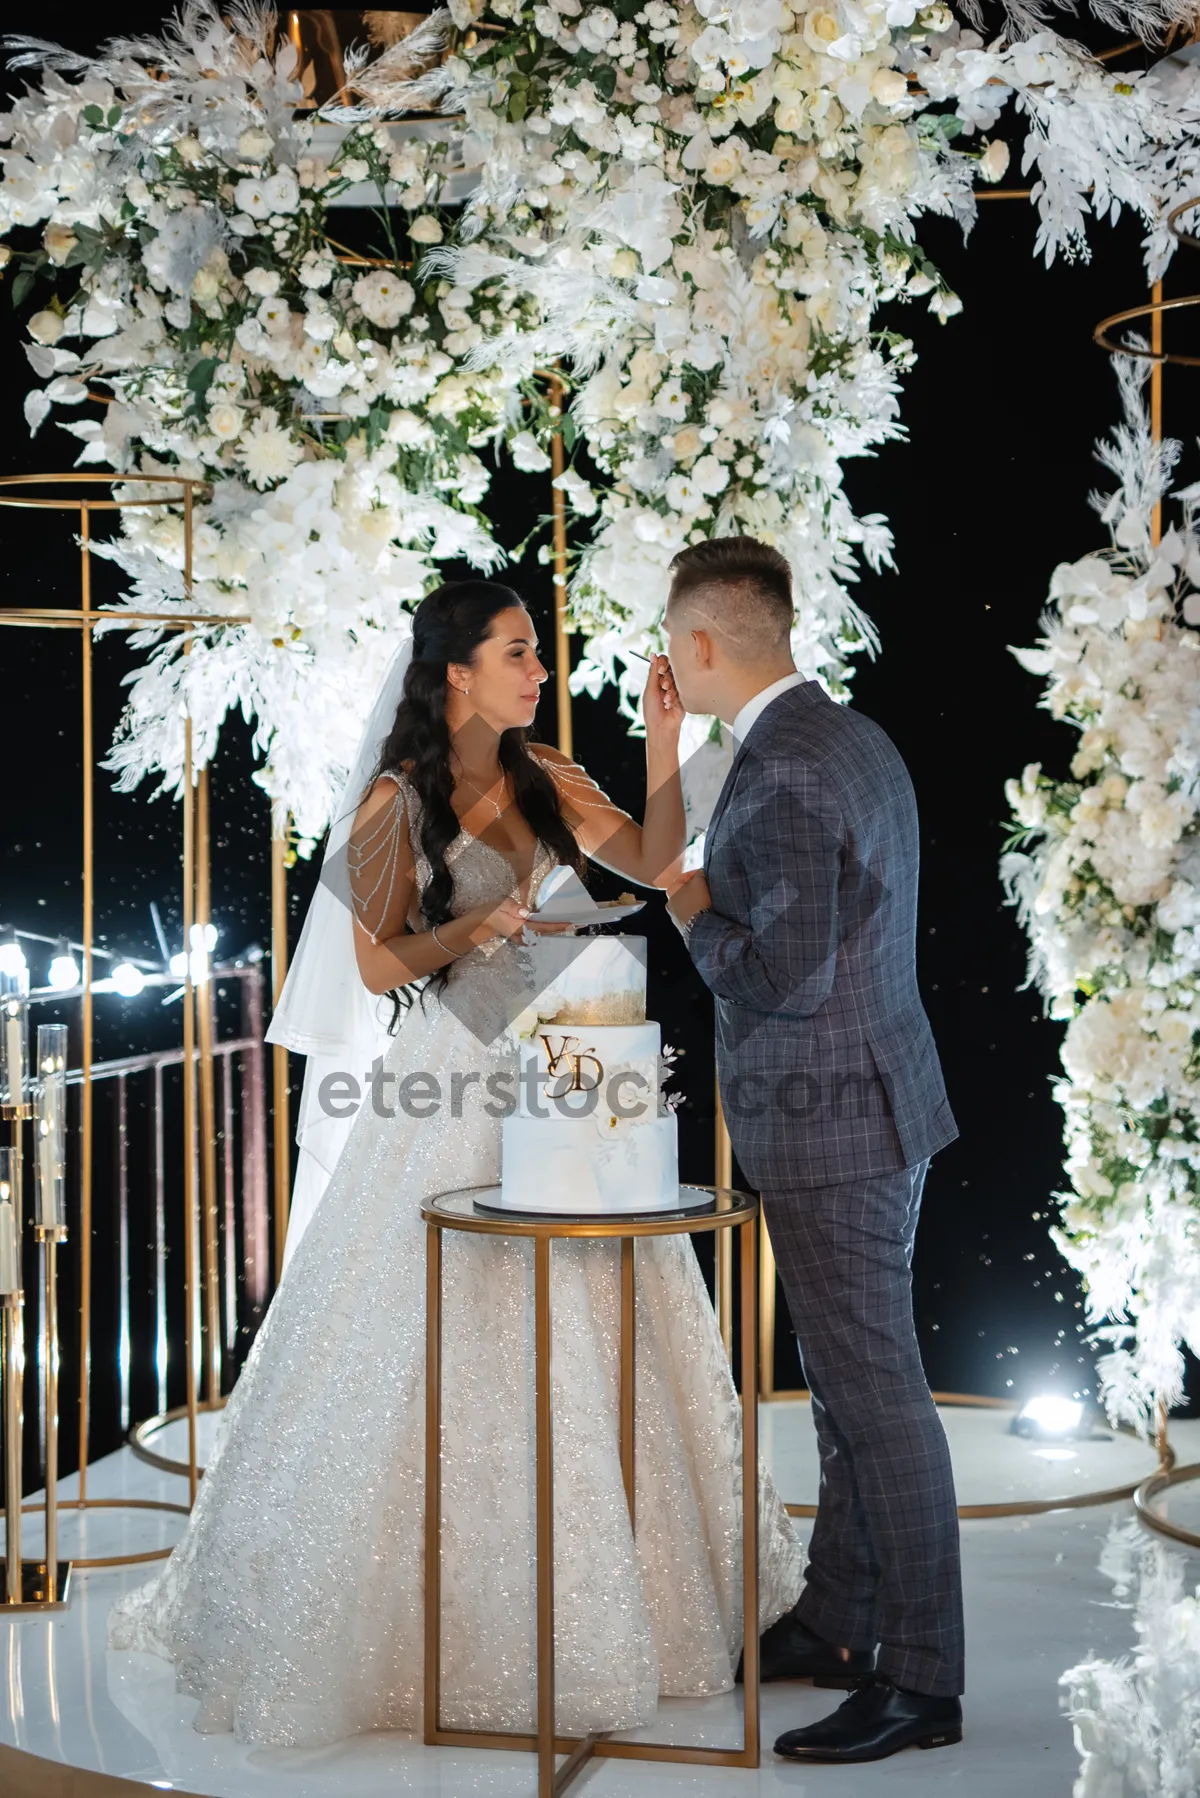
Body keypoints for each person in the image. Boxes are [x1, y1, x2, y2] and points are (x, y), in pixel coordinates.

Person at [108, 577, 805, 1748]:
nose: (540, 670)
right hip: (454, 1075)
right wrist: (472, 931)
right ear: (457, 674)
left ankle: (626, 1598)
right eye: (519, 652)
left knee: (595, 1299)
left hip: (571, 1079)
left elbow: (654, 858)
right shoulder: (397, 799)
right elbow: (381, 969)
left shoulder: (552, 775)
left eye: (538, 652)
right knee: (432, 1321)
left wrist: (666, 735)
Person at [663, 536, 964, 1766]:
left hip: (837, 1121)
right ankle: (840, 1622)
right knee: (848, 1387)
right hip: (879, 1100)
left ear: (699, 645)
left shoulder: (784, 768)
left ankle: (923, 1682)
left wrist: (689, 909)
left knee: (878, 1397)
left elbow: (779, 974)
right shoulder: (842, 732)